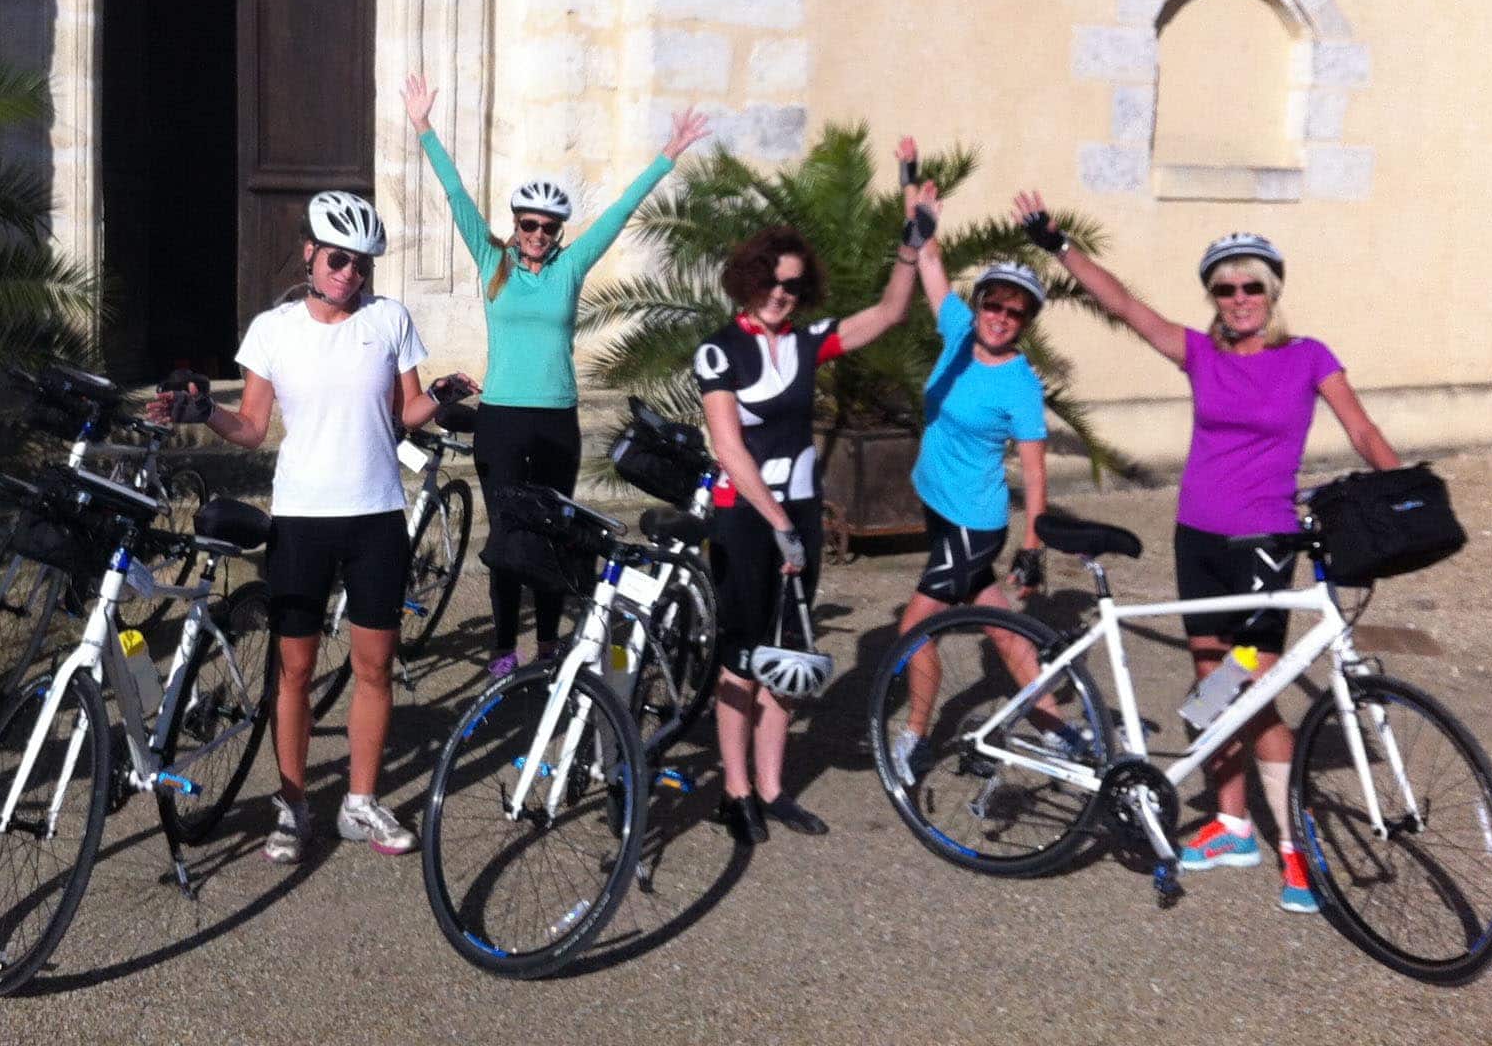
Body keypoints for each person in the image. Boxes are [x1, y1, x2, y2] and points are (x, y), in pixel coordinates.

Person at [1013, 197, 1401, 914]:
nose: (1240, 298)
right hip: (1196, 538)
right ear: (1213, 298)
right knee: (1206, 689)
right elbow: (1126, 306)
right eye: (1225, 288)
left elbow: (1362, 428)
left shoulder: (1308, 356)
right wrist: (1059, 244)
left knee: (1248, 691)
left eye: (1252, 285)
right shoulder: (1201, 352)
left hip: (1264, 545)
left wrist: (1405, 491)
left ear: (1273, 290)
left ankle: (1293, 850)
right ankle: (1232, 825)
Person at [156, 192, 473, 864]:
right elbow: (250, 428)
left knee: (375, 667)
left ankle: (360, 803)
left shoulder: (389, 320)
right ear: (309, 253)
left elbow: (405, 409)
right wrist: (200, 410)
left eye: (360, 264)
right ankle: (293, 803)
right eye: (337, 259)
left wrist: (442, 400)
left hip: (377, 516)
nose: (348, 273)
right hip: (301, 519)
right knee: (293, 671)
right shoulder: (273, 330)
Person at [402, 75, 709, 677]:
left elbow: (620, 212)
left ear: (559, 232)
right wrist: (423, 128)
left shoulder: (570, 269)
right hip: (503, 422)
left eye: (547, 227)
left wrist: (668, 155)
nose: (537, 235)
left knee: (555, 531)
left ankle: (546, 642)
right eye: (528, 224)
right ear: (514, 226)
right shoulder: (493, 262)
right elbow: (457, 195)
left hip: (556, 421)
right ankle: (500, 647)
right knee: (508, 536)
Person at [694, 140, 934, 844]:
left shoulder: (807, 341)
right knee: (741, 657)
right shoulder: (720, 348)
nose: (780, 294)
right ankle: (734, 791)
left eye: (793, 286)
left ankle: (773, 787)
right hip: (746, 518)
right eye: (771, 281)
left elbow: (889, 313)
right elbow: (728, 447)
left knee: (790, 655)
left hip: (796, 515)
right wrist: (776, 522)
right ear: (748, 279)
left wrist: (910, 242)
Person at [884, 189, 1060, 787]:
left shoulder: (1021, 385)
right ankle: (1061, 731)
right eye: (995, 305)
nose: (1002, 317)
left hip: (973, 524)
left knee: (914, 627)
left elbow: (1035, 473)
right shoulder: (958, 330)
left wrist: (1033, 547)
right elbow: (929, 262)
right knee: (1000, 626)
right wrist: (918, 206)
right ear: (981, 303)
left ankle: (915, 735)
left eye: (1016, 313)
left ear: (1025, 322)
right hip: (942, 510)